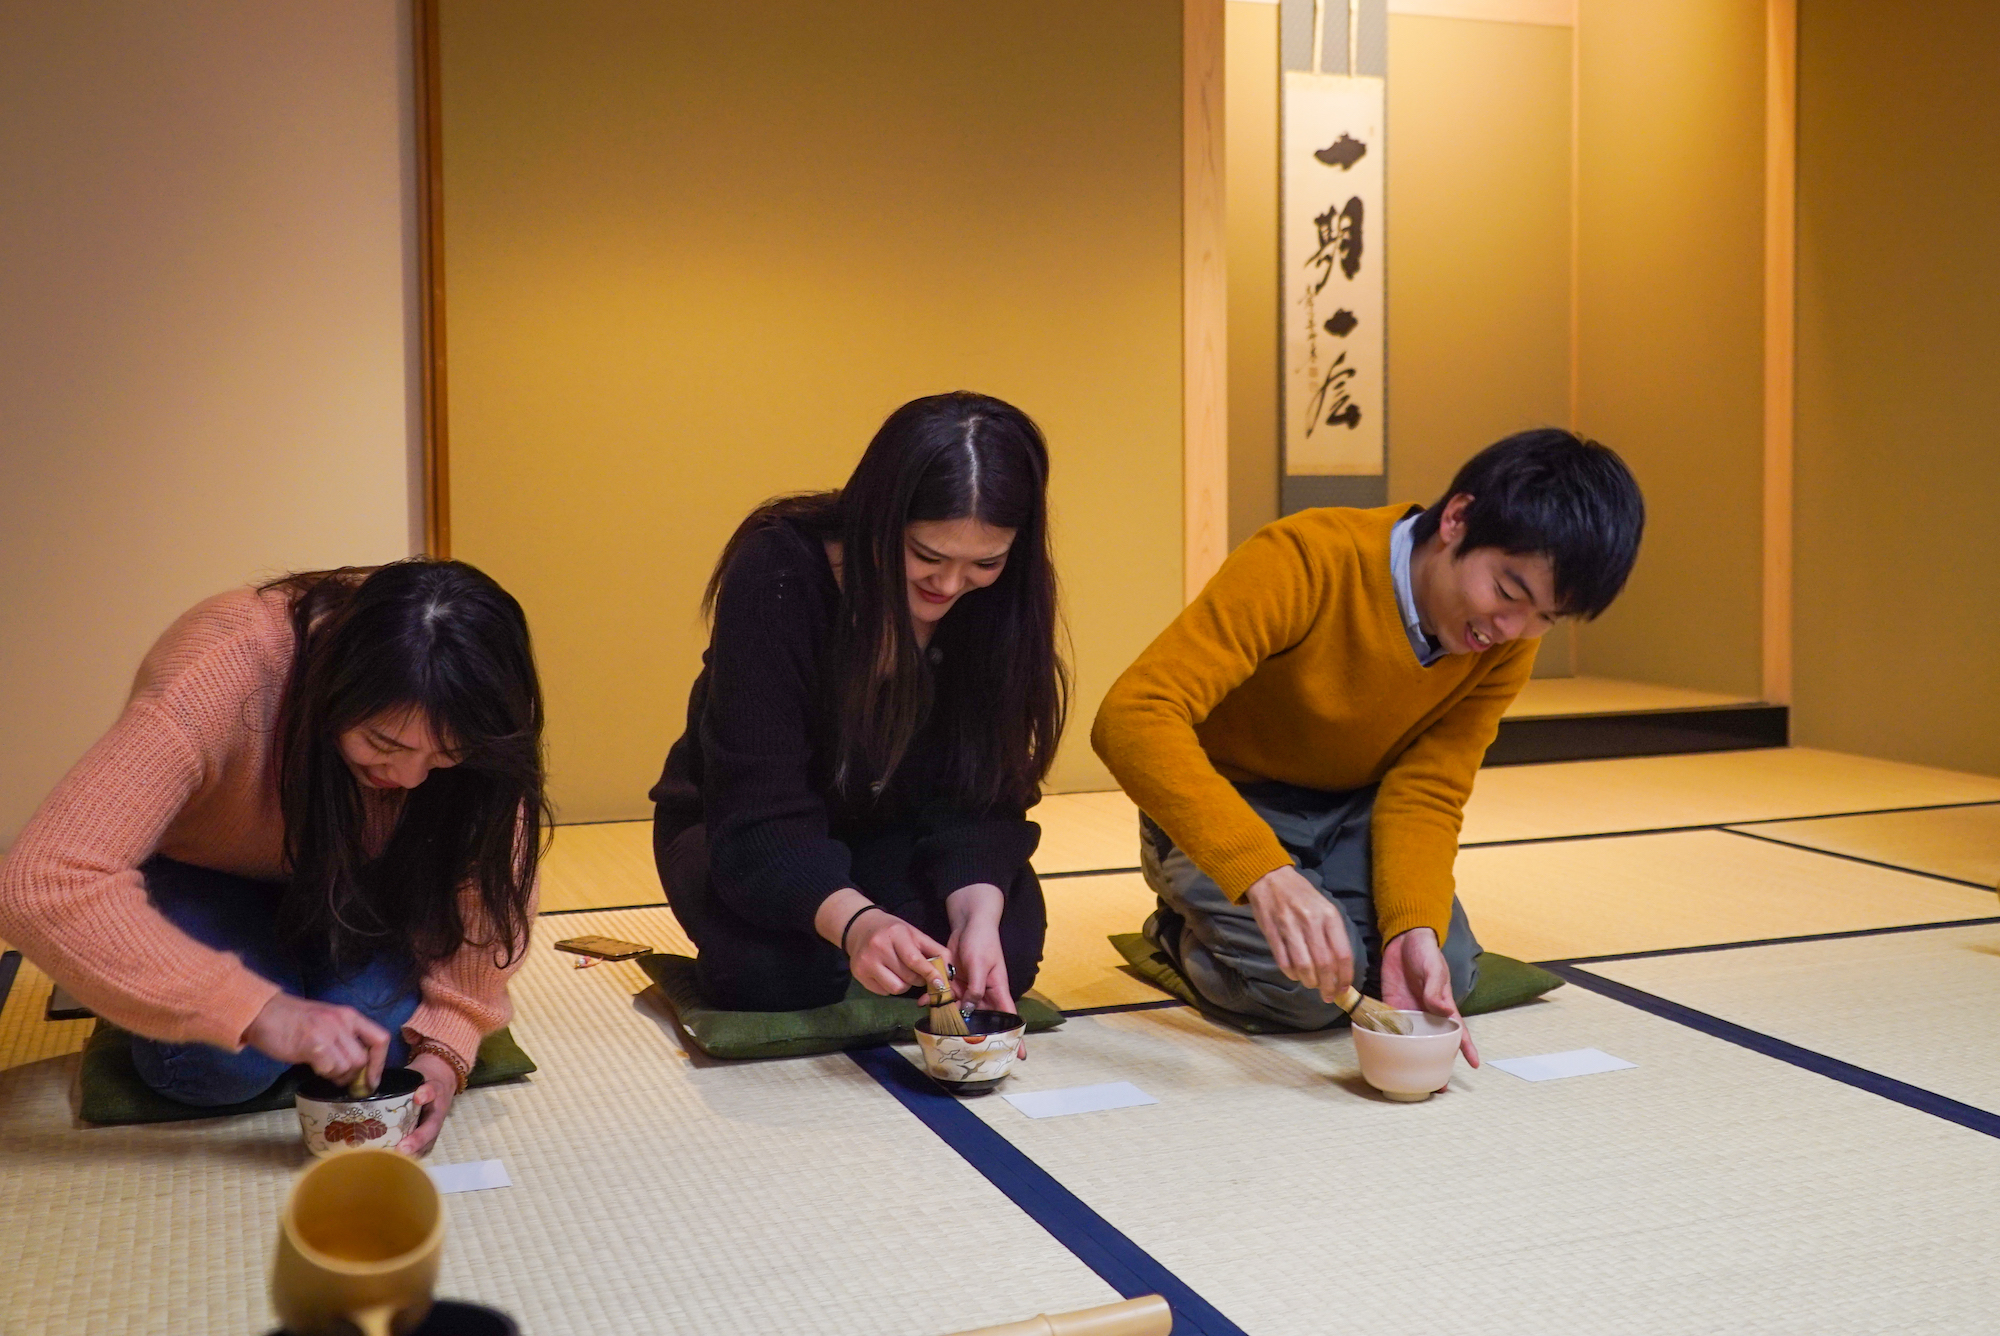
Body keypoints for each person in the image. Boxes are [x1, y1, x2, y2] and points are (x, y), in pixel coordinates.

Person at [1092, 429, 1644, 1060]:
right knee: (1303, 992)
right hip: (1227, 798)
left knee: (1437, 970)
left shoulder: (1506, 643)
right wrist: (1265, 875)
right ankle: (1175, 931)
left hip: (1355, 806)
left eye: (1546, 618)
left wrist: (1413, 926)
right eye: (1508, 592)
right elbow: (1133, 715)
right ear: (1459, 519)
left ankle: (1345, 918)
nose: (1511, 630)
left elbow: (1430, 787)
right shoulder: (1305, 557)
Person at [0, 560, 547, 1153]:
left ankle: (282, 978)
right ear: (334, 681)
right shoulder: (224, 668)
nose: (411, 777)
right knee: (217, 1067)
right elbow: (41, 884)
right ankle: (149, 973)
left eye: (446, 756)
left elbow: (488, 882)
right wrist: (257, 1010)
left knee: (385, 1051)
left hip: (353, 886)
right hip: (202, 873)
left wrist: (447, 1048)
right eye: (385, 744)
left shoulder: (476, 725)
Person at [652, 391, 1068, 1016]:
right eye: (926, 556)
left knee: (1000, 949)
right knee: (772, 978)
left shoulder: (1001, 600)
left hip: (897, 828)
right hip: (742, 824)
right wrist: (856, 923)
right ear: (877, 516)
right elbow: (758, 803)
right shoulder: (780, 571)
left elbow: (984, 791)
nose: (950, 585)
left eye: (984, 562)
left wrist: (976, 908)